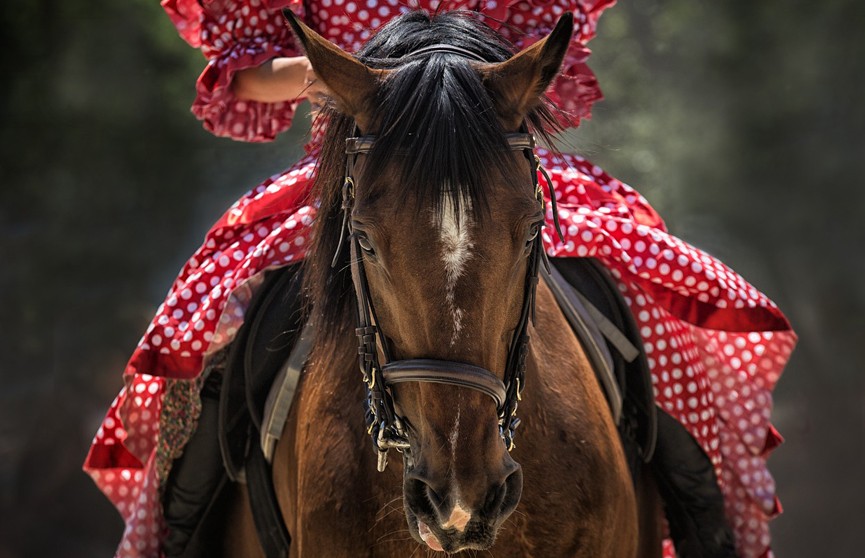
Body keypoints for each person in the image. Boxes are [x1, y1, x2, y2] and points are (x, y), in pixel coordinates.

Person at [84, 1, 797, 557]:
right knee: (220, 328)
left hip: (489, 164)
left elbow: (547, 58)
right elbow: (243, 72)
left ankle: (703, 518)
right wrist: (349, 78)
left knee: (648, 301)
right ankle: (183, 528)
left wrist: (460, 81)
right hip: (364, 166)